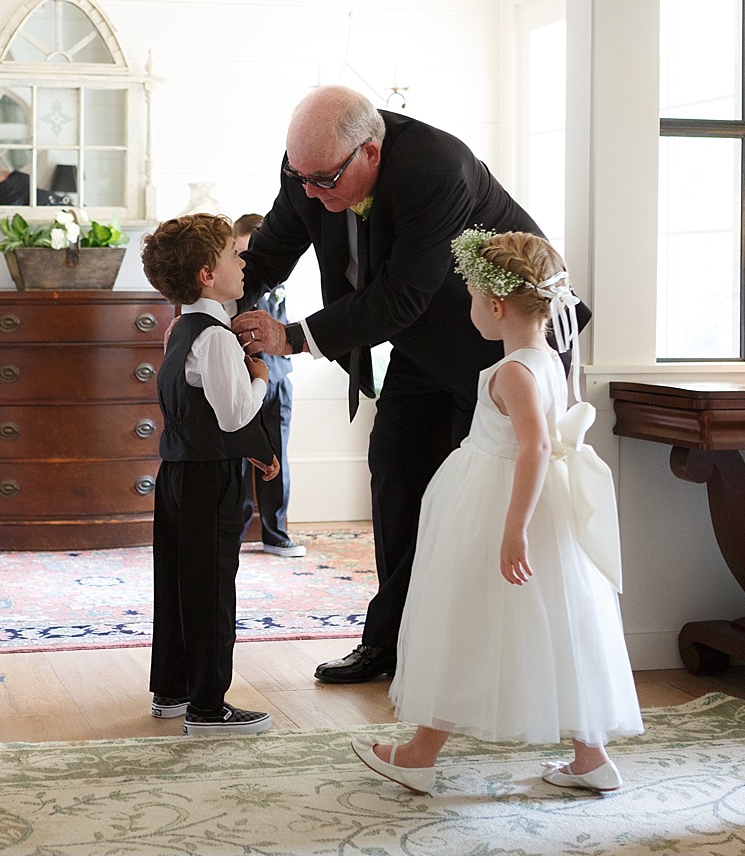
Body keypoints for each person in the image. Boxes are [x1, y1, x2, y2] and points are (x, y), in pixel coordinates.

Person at [231, 85, 587, 684]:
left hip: (503, 342)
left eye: (324, 180)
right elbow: (268, 254)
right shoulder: (310, 167)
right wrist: (203, 316)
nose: (311, 192)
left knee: (484, 494)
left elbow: (402, 293)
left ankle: (494, 659)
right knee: (395, 472)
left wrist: (290, 337)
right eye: (301, 177)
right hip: (425, 342)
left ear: (370, 151)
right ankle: (391, 644)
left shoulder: (436, 167)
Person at [350, 229, 641, 795]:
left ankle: (418, 754)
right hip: (535, 505)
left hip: (499, 507)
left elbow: (532, 446)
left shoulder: (513, 372)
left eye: (471, 296)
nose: (469, 307)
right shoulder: (546, 359)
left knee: (461, 620)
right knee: (558, 625)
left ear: (497, 305)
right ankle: (591, 756)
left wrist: (513, 531)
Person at [140, 213, 281, 735]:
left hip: (175, 474)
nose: (242, 262)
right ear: (206, 274)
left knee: (177, 583)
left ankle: (172, 690)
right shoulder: (218, 338)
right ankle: (208, 706)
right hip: (210, 482)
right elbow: (234, 413)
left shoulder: (180, 329)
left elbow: (200, 412)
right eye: (231, 255)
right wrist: (261, 373)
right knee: (215, 589)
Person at [232, 213, 302, 558]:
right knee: (242, 456)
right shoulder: (231, 288)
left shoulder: (281, 280)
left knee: (278, 455)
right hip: (243, 378)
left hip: (279, 375)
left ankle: (275, 533)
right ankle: (236, 528)